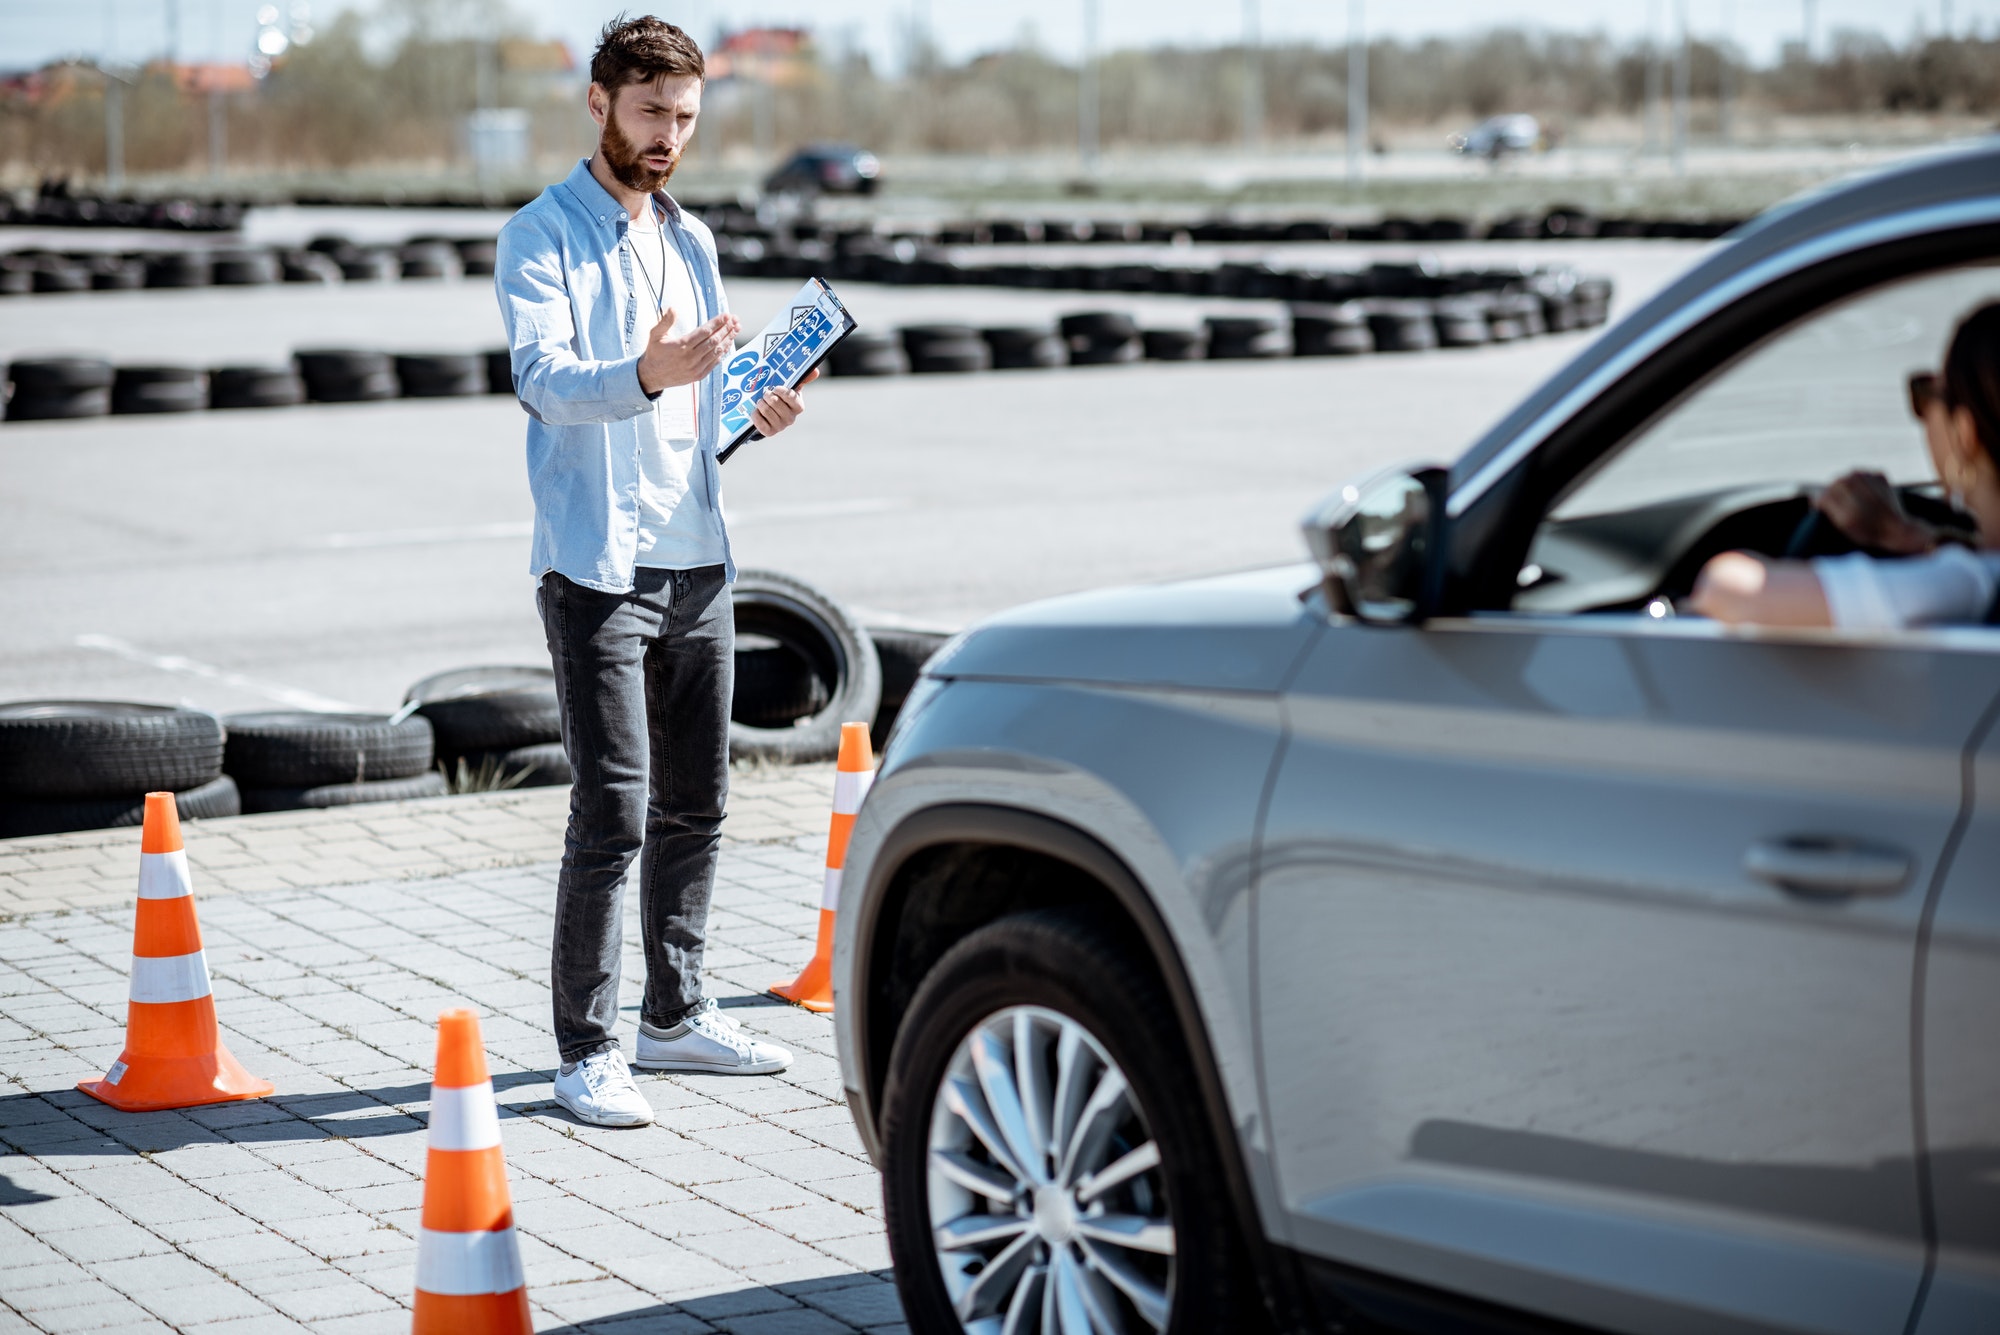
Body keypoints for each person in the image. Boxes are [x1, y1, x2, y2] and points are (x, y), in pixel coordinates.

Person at [495, 16, 815, 1128]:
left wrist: (752, 415)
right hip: (599, 567)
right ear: (598, 104)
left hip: (699, 559)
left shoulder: (693, 239)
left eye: (683, 118)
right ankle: (583, 1051)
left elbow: (700, 407)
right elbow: (545, 380)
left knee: (700, 807)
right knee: (612, 814)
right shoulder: (537, 236)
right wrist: (644, 370)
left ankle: (673, 1019)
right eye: (649, 114)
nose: (668, 136)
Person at [1691, 302, 2000, 630]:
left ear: (1966, 433)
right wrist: (1907, 535)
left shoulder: (1969, 584)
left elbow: (1733, 593)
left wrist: (1717, 574)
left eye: (1927, 395)